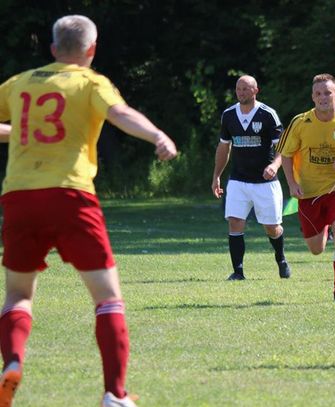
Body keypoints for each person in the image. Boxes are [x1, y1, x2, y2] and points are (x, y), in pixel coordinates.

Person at [0, 15, 177, 407]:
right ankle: (115, 394)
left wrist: (18, 131)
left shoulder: (21, 82)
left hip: (19, 198)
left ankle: (12, 361)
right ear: (91, 51)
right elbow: (120, 114)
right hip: (71, 196)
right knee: (107, 298)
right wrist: (157, 135)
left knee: (16, 297)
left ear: (52, 49)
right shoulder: (91, 82)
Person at [277, 73, 335, 302]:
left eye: (328, 92)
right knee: (316, 248)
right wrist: (291, 183)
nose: (323, 97)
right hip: (309, 191)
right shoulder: (300, 122)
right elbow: (286, 155)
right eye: (318, 93)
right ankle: (323, 228)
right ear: (312, 97)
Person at [211, 75, 291, 281]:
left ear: (256, 90)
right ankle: (238, 272)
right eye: (238, 89)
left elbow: (282, 147)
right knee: (235, 222)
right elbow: (223, 147)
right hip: (238, 180)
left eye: (246, 89)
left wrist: (274, 165)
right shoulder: (228, 115)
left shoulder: (267, 114)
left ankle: (281, 257)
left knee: (271, 228)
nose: (241, 92)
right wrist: (217, 176)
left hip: (265, 183)